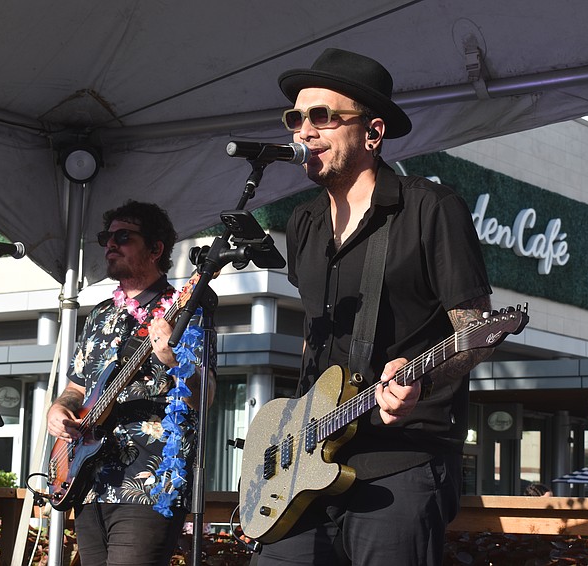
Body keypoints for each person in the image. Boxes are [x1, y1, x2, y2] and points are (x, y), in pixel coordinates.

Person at [254, 48, 494, 565]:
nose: (304, 131)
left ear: (372, 132)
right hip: (304, 463)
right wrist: (288, 429)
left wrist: (420, 379)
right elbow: (314, 334)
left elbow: (475, 328)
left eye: (323, 116)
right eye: (296, 118)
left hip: (401, 459)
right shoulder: (304, 223)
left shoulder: (431, 207)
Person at [47, 200, 215, 566]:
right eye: (107, 236)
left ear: (156, 249)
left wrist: (173, 361)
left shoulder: (186, 311)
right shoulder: (100, 315)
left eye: (123, 237)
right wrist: (59, 410)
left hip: (149, 482)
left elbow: (206, 396)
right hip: (88, 481)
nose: (110, 244)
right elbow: (76, 388)